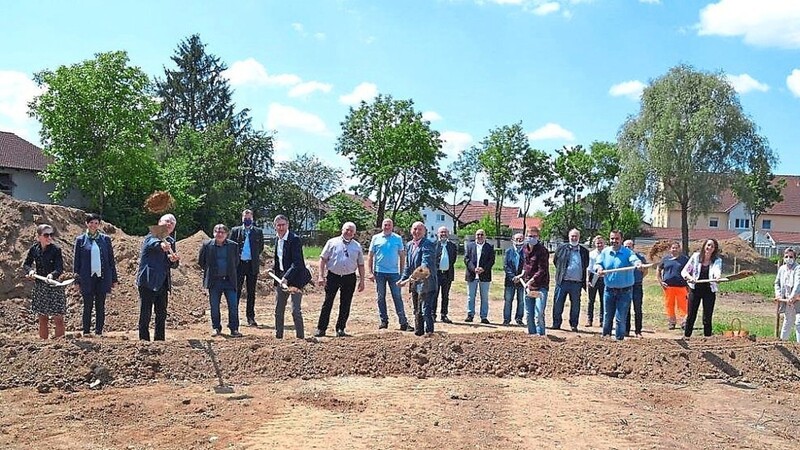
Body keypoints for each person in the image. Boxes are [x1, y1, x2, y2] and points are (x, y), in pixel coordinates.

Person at [315, 222, 365, 337]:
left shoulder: (357, 246)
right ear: (342, 230)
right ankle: (321, 329)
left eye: (351, 231)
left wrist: (362, 281)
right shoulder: (332, 242)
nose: (349, 232)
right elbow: (322, 259)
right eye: (347, 230)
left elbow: (361, 264)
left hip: (349, 277)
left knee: (345, 304)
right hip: (333, 276)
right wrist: (320, 276)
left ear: (354, 233)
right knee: (328, 302)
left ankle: (340, 328)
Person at [73, 213, 118, 337]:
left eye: (96, 223)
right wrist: (76, 280)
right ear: (87, 224)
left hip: (102, 277)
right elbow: (76, 262)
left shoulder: (105, 239)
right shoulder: (80, 240)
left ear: (99, 225)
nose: (93, 225)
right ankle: (86, 331)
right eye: (91, 222)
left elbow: (110, 260)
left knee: (100, 305)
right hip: (86, 277)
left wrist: (114, 278)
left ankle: (99, 331)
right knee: (87, 305)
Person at [136, 214, 180, 341]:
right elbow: (154, 243)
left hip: (163, 282)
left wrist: (173, 260)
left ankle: (160, 341)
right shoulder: (151, 236)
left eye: (172, 222)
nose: (169, 223)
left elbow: (173, 264)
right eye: (167, 221)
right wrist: (161, 245)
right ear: (159, 222)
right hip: (148, 281)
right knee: (146, 313)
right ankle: (144, 341)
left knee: (161, 314)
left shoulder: (171, 241)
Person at [593, 230, 643, 341]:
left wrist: (638, 264)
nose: (614, 241)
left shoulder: (628, 252)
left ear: (621, 239)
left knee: (620, 318)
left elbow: (634, 260)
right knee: (607, 316)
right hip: (609, 290)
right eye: (612, 238)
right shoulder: (605, 252)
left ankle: (619, 341)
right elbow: (598, 264)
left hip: (625, 292)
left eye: (616, 239)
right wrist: (599, 268)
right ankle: (605, 339)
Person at [368, 218, 412, 331]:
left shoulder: (397, 238)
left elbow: (402, 256)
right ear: (382, 226)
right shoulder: (376, 238)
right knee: (380, 297)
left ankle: (403, 323)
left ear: (392, 227)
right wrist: (370, 272)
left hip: (394, 274)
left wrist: (402, 274)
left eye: (389, 225)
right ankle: (384, 321)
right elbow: (370, 255)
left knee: (397, 297)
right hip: (379, 273)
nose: (387, 227)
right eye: (385, 225)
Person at [24, 224, 66, 339]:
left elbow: (59, 268)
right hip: (40, 286)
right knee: (42, 318)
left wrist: (52, 275)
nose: (49, 237)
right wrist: (30, 271)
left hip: (54, 286)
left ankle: (60, 345)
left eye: (51, 234)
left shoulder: (56, 250)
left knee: (58, 318)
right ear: (39, 237)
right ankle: (44, 345)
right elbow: (26, 264)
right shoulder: (34, 249)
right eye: (46, 235)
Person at [199, 224, 242, 337]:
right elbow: (201, 262)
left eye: (222, 232)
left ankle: (234, 329)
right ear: (213, 233)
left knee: (233, 305)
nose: (219, 234)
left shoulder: (233, 246)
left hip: (229, 281)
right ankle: (216, 328)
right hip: (214, 281)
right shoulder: (207, 245)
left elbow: (236, 262)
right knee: (214, 306)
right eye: (217, 232)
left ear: (226, 234)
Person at [272, 215, 311, 339]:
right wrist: (275, 272)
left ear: (287, 225)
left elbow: (297, 263)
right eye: (279, 225)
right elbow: (280, 260)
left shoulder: (294, 239)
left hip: (295, 278)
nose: (281, 227)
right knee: (278, 310)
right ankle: (279, 337)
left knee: (295, 311)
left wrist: (287, 277)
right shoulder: (277, 239)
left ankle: (300, 338)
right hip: (282, 277)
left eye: (283, 225)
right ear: (275, 227)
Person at [398, 222, 438, 336]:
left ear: (424, 231)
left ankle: (430, 333)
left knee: (425, 310)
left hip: (427, 284)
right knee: (416, 309)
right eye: (415, 229)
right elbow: (408, 265)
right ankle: (419, 332)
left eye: (420, 229)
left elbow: (425, 264)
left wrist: (413, 276)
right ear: (411, 231)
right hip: (415, 284)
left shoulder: (428, 244)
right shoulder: (410, 244)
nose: (417, 231)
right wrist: (403, 278)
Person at [681, 239, 723, 337]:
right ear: (704, 246)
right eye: (708, 245)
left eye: (712, 246)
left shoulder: (717, 260)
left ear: (715, 249)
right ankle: (687, 337)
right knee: (691, 315)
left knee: (707, 317)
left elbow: (717, 270)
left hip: (709, 290)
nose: (710, 248)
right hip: (695, 289)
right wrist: (690, 278)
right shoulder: (696, 257)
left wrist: (717, 277)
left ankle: (707, 339)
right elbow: (685, 271)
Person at [230, 209, 264, 327]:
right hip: (239, 265)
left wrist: (252, 256)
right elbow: (230, 246)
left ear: (252, 219)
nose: (247, 220)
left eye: (249, 218)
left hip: (252, 265)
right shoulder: (235, 231)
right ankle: (234, 317)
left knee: (251, 292)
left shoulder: (258, 232)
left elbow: (260, 247)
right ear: (242, 219)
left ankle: (250, 317)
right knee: (236, 291)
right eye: (245, 218)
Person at [552, 228, 590, 332]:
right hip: (562, 282)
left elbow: (586, 265)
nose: (574, 238)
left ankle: (574, 325)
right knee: (558, 303)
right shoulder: (561, 248)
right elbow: (556, 261)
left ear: (579, 237)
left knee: (575, 305)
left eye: (576, 236)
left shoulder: (584, 252)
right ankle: (556, 324)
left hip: (576, 284)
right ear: (569, 237)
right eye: (572, 236)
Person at [520, 226, 550, 336]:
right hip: (528, 286)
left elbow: (542, 270)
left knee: (539, 313)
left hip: (540, 286)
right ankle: (532, 335)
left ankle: (540, 335)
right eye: (529, 236)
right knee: (529, 313)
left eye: (533, 236)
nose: (531, 238)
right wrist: (522, 275)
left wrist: (531, 280)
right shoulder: (524, 249)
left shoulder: (542, 250)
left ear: (538, 237)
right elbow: (526, 265)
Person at [464, 229, 495, 324]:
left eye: (482, 234)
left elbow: (491, 261)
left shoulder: (489, 247)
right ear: (475, 235)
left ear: (485, 236)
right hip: (472, 275)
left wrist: (483, 269)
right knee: (471, 296)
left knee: (484, 297)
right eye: (478, 234)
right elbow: (466, 259)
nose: (480, 236)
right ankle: (470, 315)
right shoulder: (470, 246)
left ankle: (484, 316)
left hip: (484, 276)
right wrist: (474, 269)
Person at [656, 241, 689, 330]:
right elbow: (659, 269)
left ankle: (683, 322)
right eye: (673, 248)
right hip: (668, 287)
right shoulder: (665, 259)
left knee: (683, 305)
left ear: (679, 249)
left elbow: (690, 270)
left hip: (681, 286)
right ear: (670, 249)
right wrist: (660, 281)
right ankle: (672, 322)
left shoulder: (685, 259)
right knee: (669, 305)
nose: (674, 249)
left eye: (676, 248)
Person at [623, 240, 648, 338]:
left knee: (637, 309)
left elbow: (645, 271)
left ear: (633, 247)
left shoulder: (640, 258)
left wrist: (640, 278)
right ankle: (626, 330)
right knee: (626, 308)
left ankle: (638, 331)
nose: (628, 248)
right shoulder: (623, 258)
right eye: (625, 247)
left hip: (637, 285)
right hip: (626, 285)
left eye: (629, 246)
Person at [774, 248, 800, 342]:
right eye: (786, 256)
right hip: (787, 300)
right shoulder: (782, 269)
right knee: (787, 321)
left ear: (795, 258)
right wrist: (778, 295)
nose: (788, 258)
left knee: (798, 322)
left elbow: (798, 284)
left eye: (791, 256)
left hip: (797, 299)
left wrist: (792, 297)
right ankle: (783, 343)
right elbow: (777, 283)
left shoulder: (798, 268)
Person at [502, 233, 526, 326]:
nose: (519, 241)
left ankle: (519, 319)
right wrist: (513, 277)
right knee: (508, 300)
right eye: (517, 239)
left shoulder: (526, 252)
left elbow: (527, 266)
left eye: (521, 239)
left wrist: (520, 277)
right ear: (513, 240)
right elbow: (506, 266)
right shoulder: (508, 251)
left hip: (522, 280)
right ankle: (506, 319)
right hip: (510, 281)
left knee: (521, 301)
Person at [435, 226, 457, 323]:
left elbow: (453, 260)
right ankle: (432, 315)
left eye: (445, 232)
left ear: (448, 234)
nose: (443, 234)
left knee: (445, 295)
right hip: (436, 275)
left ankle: (444, 315)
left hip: (447, 275)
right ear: (438, 234)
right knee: (434, 295)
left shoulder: (452, 246)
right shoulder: (434, 245)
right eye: (441, 232)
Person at [585, 235, 606, 327]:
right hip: (593, 276)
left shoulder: (607, 253)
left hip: (604, 277)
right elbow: (589, 268)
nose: (599, 244)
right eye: (597, 243)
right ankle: (589, 319)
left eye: (601, 243)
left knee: (603, 300)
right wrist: (587, 279)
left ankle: (602, 320)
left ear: (604, 243)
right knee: (591, 300)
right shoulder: (591, 254)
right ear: (594, 244)